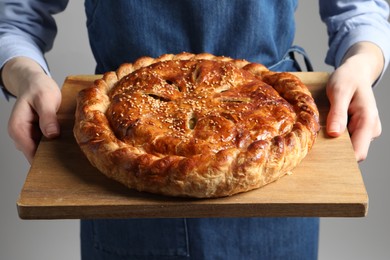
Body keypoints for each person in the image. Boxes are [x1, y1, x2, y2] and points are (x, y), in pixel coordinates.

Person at [1, 1, 389, 259]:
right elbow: (15, 15)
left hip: (274, 191)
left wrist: (361, 60)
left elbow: (361, 8)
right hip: (126, 207)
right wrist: (25, 73)